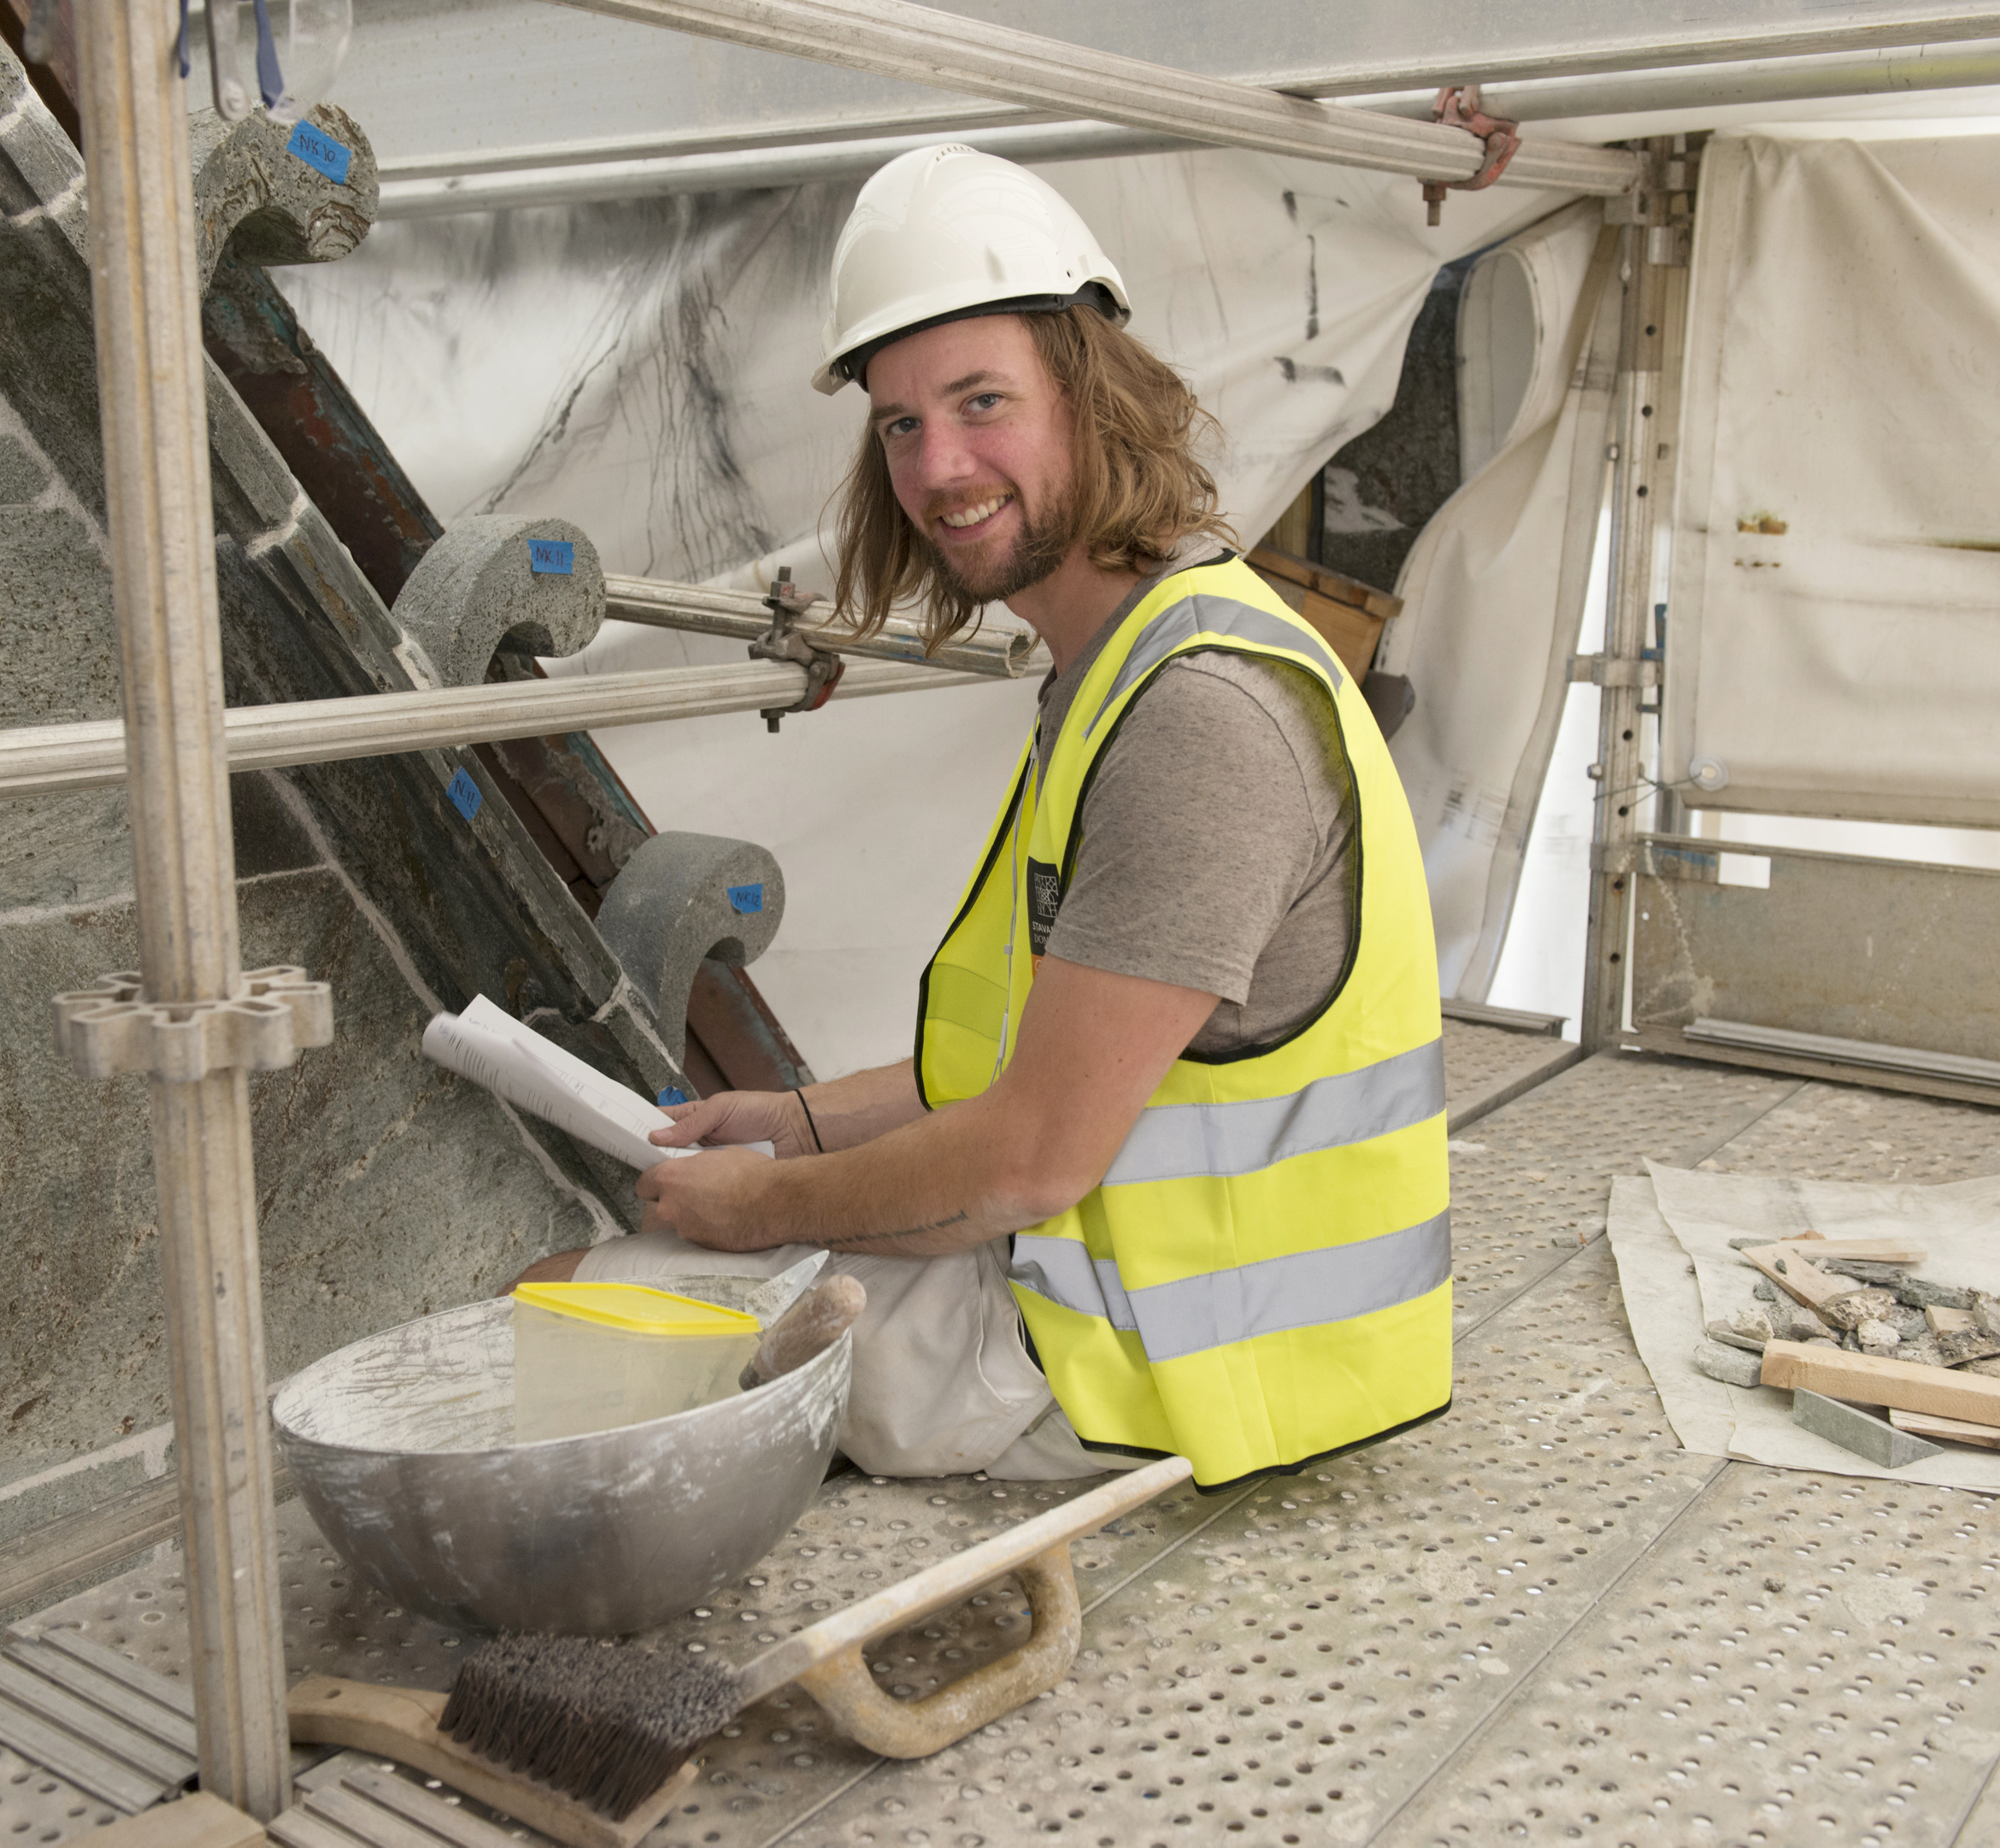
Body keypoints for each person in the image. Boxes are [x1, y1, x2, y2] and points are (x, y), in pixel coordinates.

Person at [513, 145, 1450, 1491]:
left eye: (980, 402)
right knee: (599, 1298)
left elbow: (1023, 1159)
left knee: (556, 1319)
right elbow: (1052, 1064)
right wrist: (797, 1122)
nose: (938, 464)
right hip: (1119, 1299)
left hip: (1151, 1366)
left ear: (1093, 400)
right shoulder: (1121, 661)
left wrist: (761, 1208)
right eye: (899, 422)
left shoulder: (1198, 713)